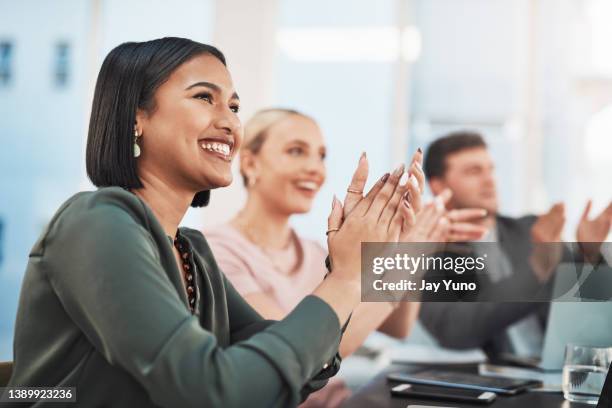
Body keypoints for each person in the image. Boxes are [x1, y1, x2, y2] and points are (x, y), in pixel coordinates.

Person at [7, 38, 418, 408]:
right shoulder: (95, 224)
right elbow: (216, 391)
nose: (231, 123)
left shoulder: (193, 251)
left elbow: (298, 366)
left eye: (234, 107)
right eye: (205, 97)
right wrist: (347, 278)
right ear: (136, 118)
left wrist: (367, 264)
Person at [204, 109, 488, 406]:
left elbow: (399, 326)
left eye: (321, 156)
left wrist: (411, 250)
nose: (315, 168)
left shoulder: (316, 251)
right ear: (249, 162)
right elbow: (299, 353)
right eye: (296, 151)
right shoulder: (219, 251)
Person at [419, 131, 612, 359]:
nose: (489, 180)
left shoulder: (532, 231)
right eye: (474, 171)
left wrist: (590, 256)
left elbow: (594, 318)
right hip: (483, 384)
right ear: (439, 186)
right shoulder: (428, 252)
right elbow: (454, 330)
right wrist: (536, 270)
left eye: (491, 170)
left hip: (558, 375)